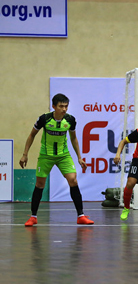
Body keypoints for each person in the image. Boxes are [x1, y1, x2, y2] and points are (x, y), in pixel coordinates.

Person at [20, 93, 94, 226]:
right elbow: (31, 135)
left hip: (63, 155)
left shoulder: (70, 120)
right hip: (46, 155)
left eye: (66, 106)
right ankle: (33, 217)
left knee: (73, 180)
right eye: (61, 106)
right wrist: (25, 154)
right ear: (53, 106)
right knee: (40, 184)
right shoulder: (44, 119)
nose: (64, 109)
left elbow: (73, 138)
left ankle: (81, 216)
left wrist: (79, 157)